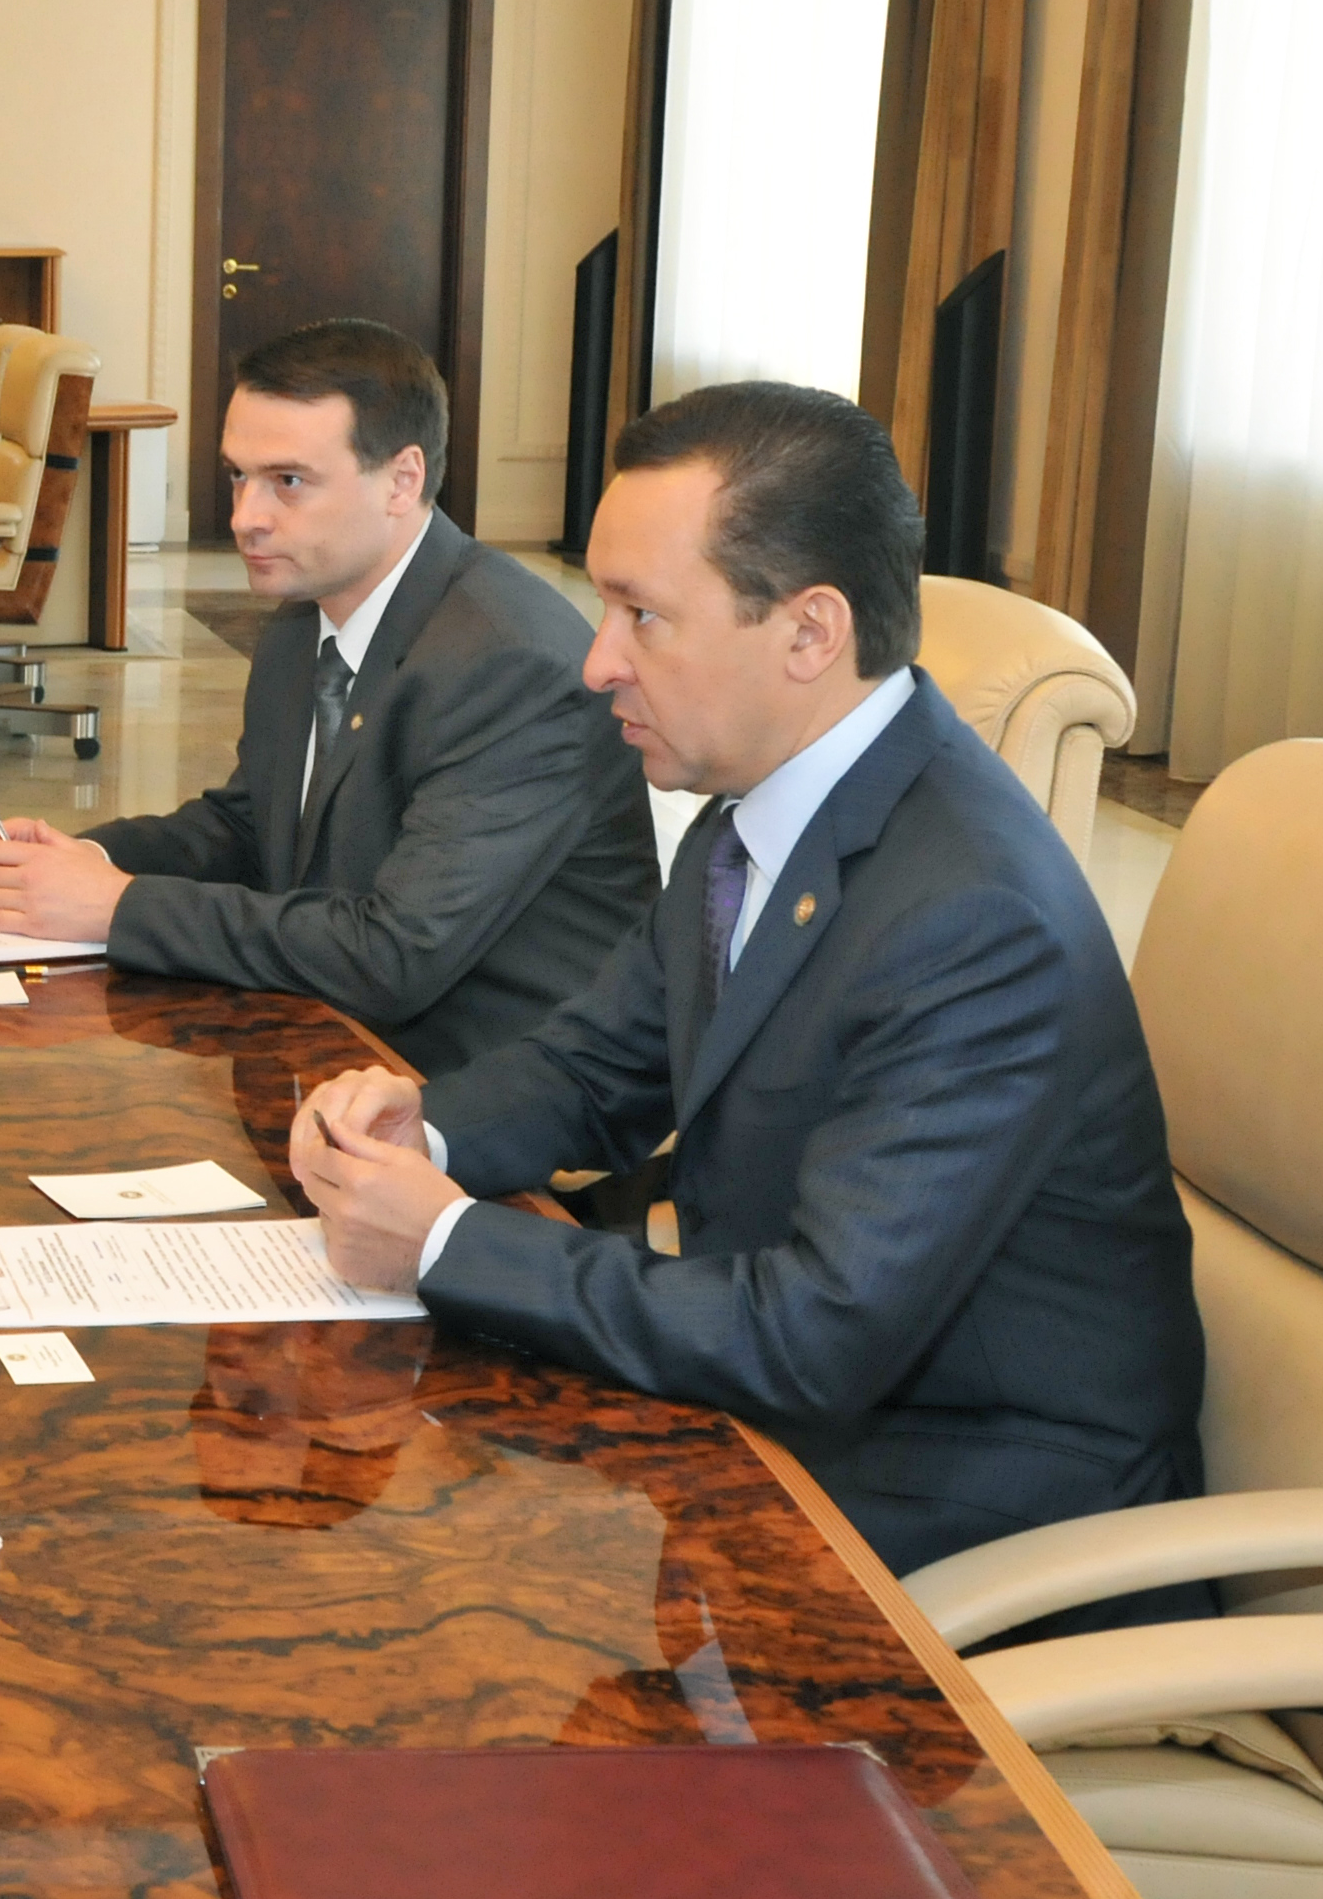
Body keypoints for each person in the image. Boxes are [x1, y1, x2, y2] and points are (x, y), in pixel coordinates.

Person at [291, 379, 1202, 1587]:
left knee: (426, 1573)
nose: (596, 664)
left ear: (808, 633)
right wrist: (424, 1131)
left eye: (641, 616)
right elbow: (597, 1065)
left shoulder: (971, 921)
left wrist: (446, 1240)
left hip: (967, 1497)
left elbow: (813, 1334)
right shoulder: (761, 804)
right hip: (796, 1407)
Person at [0, 317, 654, 1075]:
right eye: (238, 476)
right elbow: (254, 827)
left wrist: (116, 905)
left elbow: (394, 955)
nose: (245, 518)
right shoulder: (304, 620)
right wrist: (86, 860)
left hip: (492, 1088)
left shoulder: (510, 666)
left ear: (402, 480)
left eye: (288, 481)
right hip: (334, 1046)